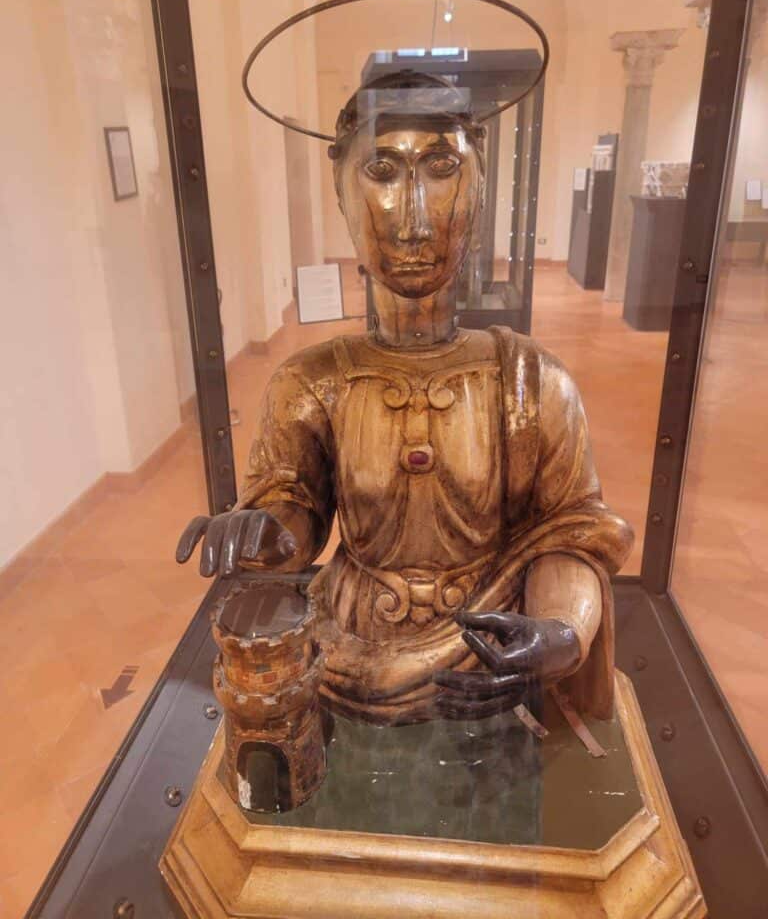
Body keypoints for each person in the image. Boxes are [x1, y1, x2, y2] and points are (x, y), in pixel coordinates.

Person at [177, 72, 633, 726]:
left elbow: (572, 536)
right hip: (341, 653)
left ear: (475, 193)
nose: (416, 217)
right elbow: (296, 519)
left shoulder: (531, 384)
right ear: (343, 195)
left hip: (487, 655)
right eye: (383, 170)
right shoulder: (312, 383)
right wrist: (265, 530)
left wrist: (561, 632)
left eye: (441, 167)